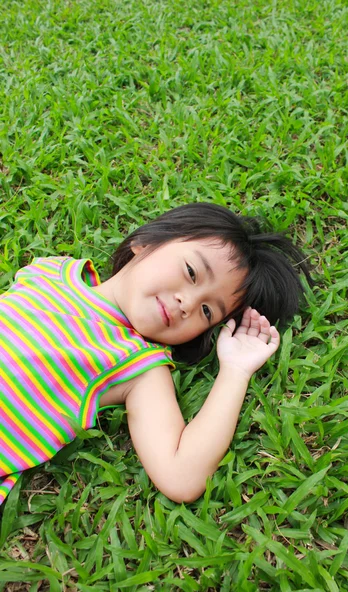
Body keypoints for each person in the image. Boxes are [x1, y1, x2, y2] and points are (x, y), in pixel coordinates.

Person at [0, 203, 311, 506]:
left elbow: (180, 474)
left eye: (206, 311)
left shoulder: (138, 364)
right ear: (145, 241)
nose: (187, 303)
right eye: (191, 272)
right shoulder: (49, 271)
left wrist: (236, 371)